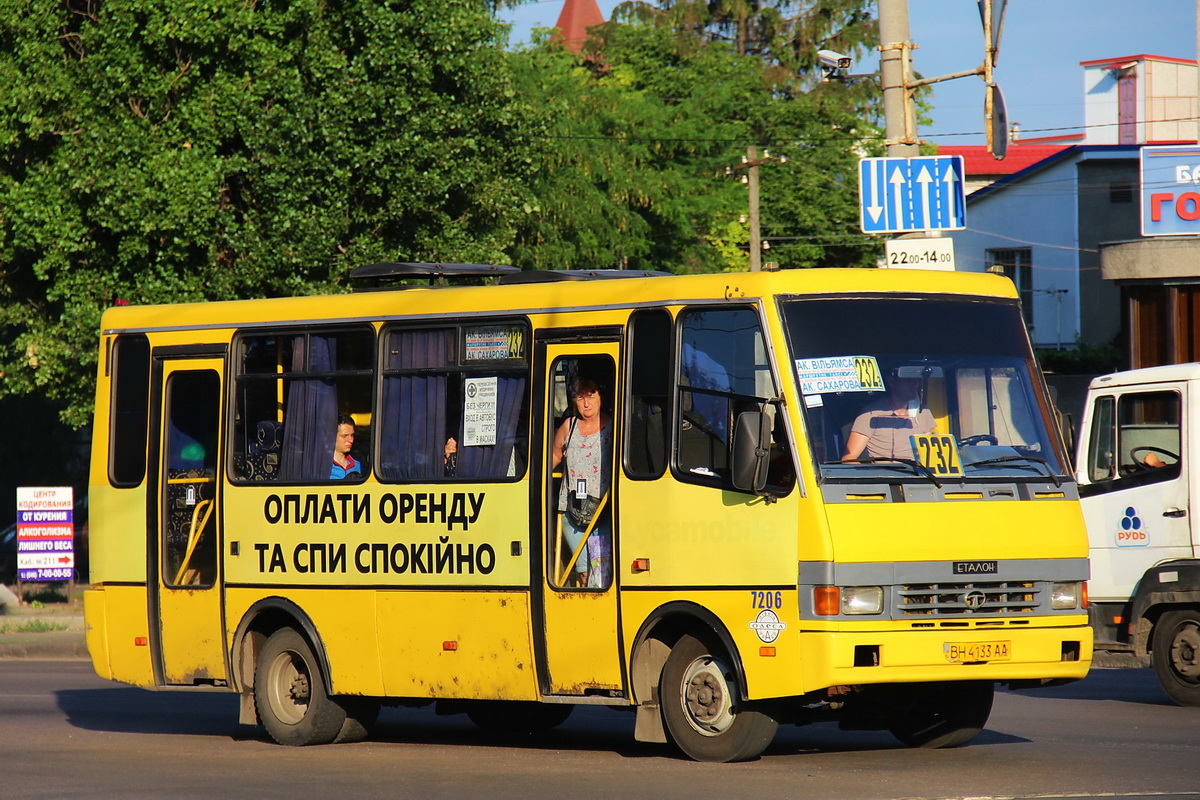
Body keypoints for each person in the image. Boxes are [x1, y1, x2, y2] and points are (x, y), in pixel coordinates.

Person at [551, 374, 613, 588]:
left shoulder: (614, 427)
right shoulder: (569, 426)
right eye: (580, 397)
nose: (586, 403)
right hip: (573, 512)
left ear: (600, 397)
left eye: (591, 395)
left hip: (603, 513)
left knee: (600, 574)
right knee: (584, 574)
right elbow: (554, 456)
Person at [842, 374, 936, 461]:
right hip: (885, 475)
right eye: (908, 380)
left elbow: (933, 453)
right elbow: (849, 458)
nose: (915, 384)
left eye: (917, 380)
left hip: (920, 476)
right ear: (891, 381)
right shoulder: (871, 413)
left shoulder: (923, 411)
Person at [330, 414, 362, 480]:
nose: (351, 440)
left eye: (352, 435)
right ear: (332, 436)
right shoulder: (322, 466)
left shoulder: (358, 465)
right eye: (345, 436)